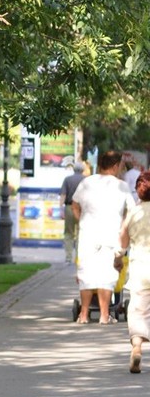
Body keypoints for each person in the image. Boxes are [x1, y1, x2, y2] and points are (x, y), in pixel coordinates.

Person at [73, 150, 136, 324]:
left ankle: (84, 315)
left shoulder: (86, 182)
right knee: (107, 276)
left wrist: (82, 221)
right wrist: (124, 226)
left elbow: (75, 205)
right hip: (110, 235)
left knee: (86, 275)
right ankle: (103, 315)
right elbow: (131, 210)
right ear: (115, 166)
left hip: (88, 235)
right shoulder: (121, 186)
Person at [118, 171, 150, 372]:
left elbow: (122, 237)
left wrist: (118, 256)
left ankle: (137, 346)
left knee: (138, 309)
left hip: (140, 266)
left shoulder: (133, 213)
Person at [60, 161, 86, 265]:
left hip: (69, 207)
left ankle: (68, 257)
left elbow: (63, 195)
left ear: (73, 169)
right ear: (83, 170)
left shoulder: (67, 179)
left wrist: (61, 209)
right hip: (82, 209)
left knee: (68, 233)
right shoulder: (86, 180)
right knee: (81, 233)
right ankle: (79, 257)